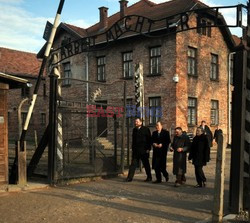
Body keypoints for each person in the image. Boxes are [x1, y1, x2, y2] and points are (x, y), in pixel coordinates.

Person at [125, 118, 152, 182]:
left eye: (137, 122)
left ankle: (149, 177)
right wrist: (133, 148)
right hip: (136, 151)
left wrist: (148, 148)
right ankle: (129, 177)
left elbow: (149, 139)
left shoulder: (146, 129)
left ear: (141, 122)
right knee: (133, 164)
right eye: (135, 122)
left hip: (144, 150)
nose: (135, 123)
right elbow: (133, 140)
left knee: (146, 164)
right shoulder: (134, 130)